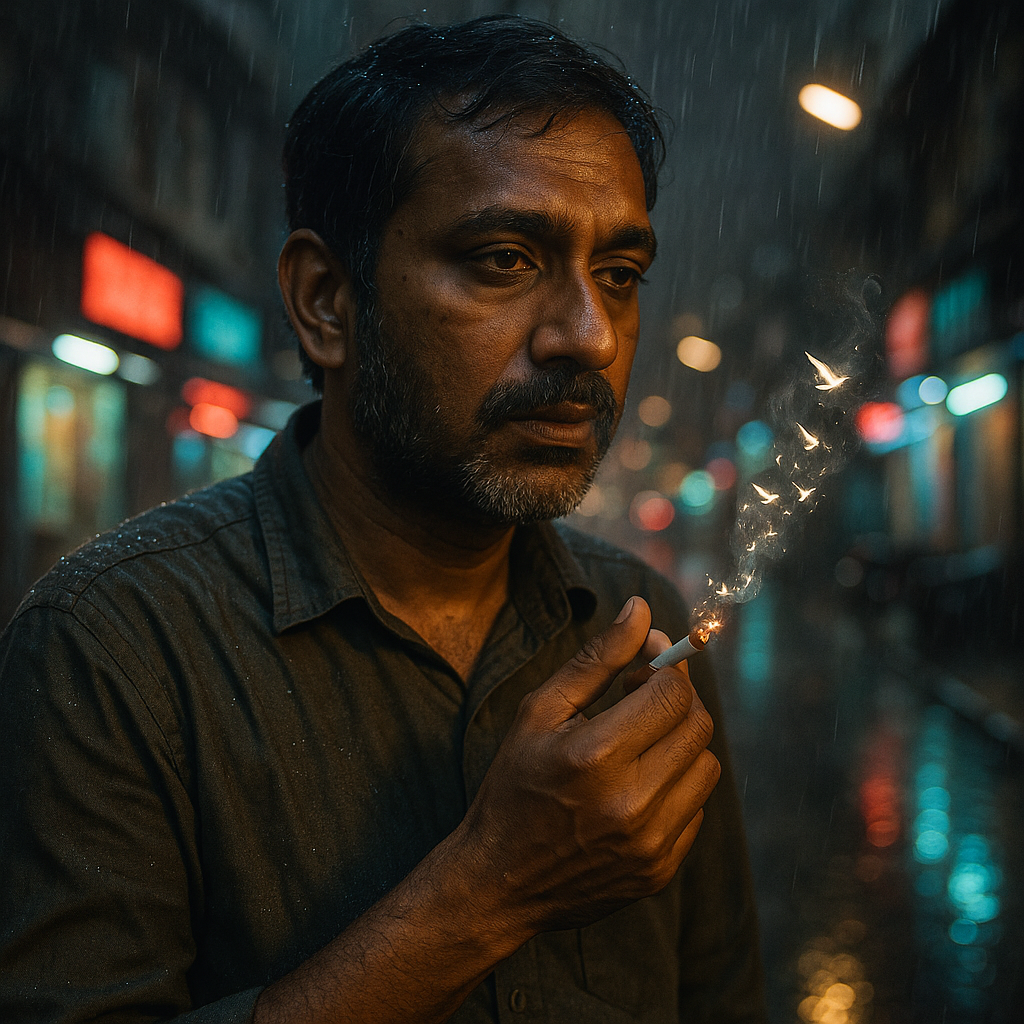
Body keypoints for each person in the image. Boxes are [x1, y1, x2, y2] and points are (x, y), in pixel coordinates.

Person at [0, 15, 765, 1024]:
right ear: (326, 300)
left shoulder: (637, 625)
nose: (586, 335)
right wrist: (491, 890)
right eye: (501, 259)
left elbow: (721, 995)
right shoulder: (113, 652)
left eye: (618, 276)